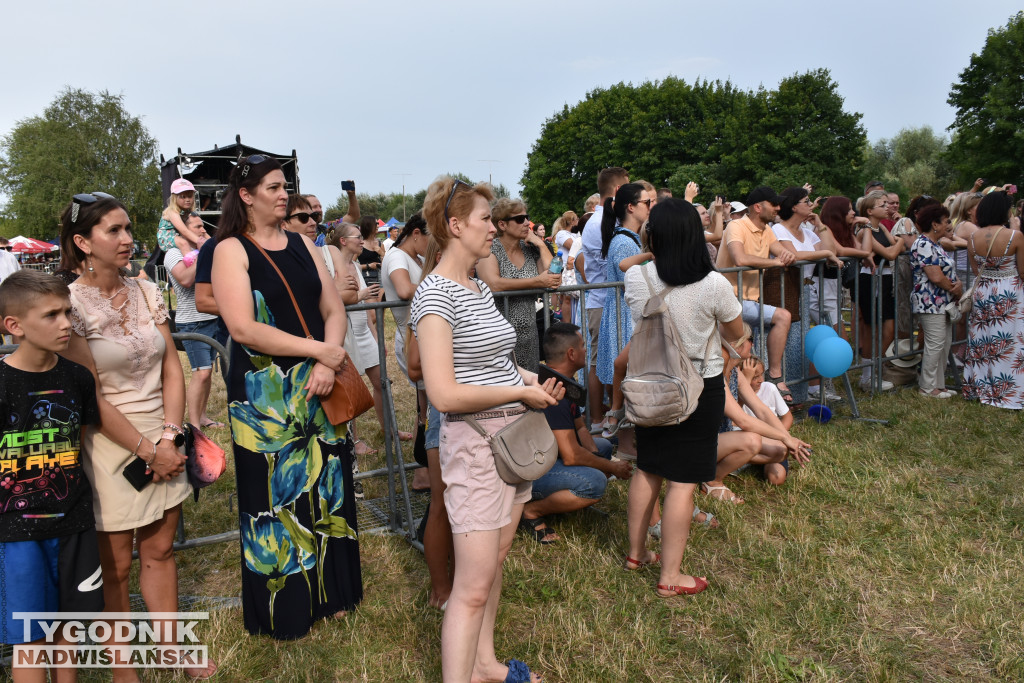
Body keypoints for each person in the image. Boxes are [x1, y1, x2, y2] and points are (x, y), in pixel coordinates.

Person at [59, 192, 215, 680]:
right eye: (114, 231)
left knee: (160, 549)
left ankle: (171, 648)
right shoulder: (66, 304)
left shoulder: (147, 290)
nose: (128, 239)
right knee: (116, 566)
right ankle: (122, 664)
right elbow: (89, 392)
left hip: (162, 435)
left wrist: (169, 437)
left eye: (129, 228)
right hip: (107, 444)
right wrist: (149, 450)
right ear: (83, 242)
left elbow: (171, 363)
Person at [412, 176, 561, 683]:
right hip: (476, 446)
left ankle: (484, 665)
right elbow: (444, 394)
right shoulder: (435, 297)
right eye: (484, 221)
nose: (493, 231)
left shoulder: (475, 285)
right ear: (455, 226)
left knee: (492, 566)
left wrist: (529, 378)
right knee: (471, 586)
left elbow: (495, 361)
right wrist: (518, 393)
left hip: (508, 442)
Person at [211, 155, 361, 639]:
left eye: (286, 186)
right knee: (274, 497)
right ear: (247, 195)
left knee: (328, 485)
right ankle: (287, 610)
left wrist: (326, 359)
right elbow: (243, 327)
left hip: (321, 380)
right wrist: (319, 351)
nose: (284, 194)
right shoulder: (230, 249)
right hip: (266, 394)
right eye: (274, 187)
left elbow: (332, 307)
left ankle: (334, 594)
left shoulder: (303, 244)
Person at [621, 198, 743, 599]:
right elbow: (736, 329)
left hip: (651, 382)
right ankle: (671, 575)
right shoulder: (714, 284)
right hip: (698, 385)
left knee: (647, 467)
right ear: (695, 235)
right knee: (684, 482)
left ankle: (636, 555)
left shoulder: (638, 278)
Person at [0, 271, 102, 683]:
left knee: (68, 630)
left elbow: (78, 445)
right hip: (17, 532)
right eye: (51, 315)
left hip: (74, 524)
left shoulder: (77, 378)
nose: (65, 324)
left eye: (67, 312)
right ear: (14, 326)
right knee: (31, 638)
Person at [521, 323, 632, 544]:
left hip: (550, 456)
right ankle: (529, 511)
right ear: (571, 354)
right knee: (595, 483)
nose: (585, 350)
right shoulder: (554, 393)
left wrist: (596, 457)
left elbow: (580, 427)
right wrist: (611, 467)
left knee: (604, 448)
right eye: (582, 346)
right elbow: (571, 456)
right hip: (531, 471)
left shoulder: (561, 382)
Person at [715, 186, 797, 398]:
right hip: (729, 300)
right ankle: (773, 379)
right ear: (758, 207)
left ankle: (769, 381)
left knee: (746, 354)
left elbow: (782, 252)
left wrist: (786, 256)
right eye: (774, 204)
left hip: (748, 301)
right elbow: (740, 258)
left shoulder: (767, 230)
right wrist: (775, 262)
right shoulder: (736, 225)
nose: (778, 208)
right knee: (781, 317)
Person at [477, 197, 558, 373]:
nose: (527, 223)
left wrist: (540, 244)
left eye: (527, 218)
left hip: (529, 334)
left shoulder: (529, 248)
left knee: (529, 386)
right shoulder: (490, 249)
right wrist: (537, 281)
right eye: (520, 219)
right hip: (499, 335)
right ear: (502, 225)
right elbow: (494, 284)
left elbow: (553, 275)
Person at [164, 218, 227, 429]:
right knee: (201, 372)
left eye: (203, 225)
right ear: (182, 232)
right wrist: (204, 252)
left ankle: (202, 416)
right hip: (192, 323)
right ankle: (193, 425)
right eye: (197, 226)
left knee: (207, 373)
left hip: (212, 319)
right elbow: (186, 280)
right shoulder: (173, 254)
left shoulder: (205, 249)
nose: (202, 229)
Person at [595, 183, 650, 423]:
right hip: (624, 318)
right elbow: (630, 283)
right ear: (631, 207)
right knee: (627, 381)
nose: (651, 207)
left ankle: (629, 439)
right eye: (647, 203)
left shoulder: (629, 239)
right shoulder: (624, 242)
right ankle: (626, 441)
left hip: (627, 315)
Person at [963, 191, 1024, 408]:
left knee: (983, 339)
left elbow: (975, 269)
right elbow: (1023, 271)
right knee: (1008, 341)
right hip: (1009, 291)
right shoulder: (1015, 236)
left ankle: (980, 386)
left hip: (983, 290)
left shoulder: (972, 238)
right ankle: (1007, 391)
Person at [581, 167, 630, 427]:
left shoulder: (605, 220)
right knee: (599, 363)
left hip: (606, 301)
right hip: (602, 301)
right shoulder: (599, 222)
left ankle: (609, 417)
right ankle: (598, 419)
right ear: (618, 191)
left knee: (610, 362)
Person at [380, 214, 430, 447]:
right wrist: (440, 285)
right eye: (432, 238)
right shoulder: (397, 256)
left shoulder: (415, 258)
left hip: (420, 336)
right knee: (427, 405)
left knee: (427, 404)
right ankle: (423, 466)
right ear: (416, 234)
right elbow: (402, 289)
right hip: (411, 338)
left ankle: (424, 465)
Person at [909, 204, 961, 398]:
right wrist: (954, 289)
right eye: (946, 221)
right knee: (935, 343)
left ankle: (938, 384)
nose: (949, 225)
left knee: (944, 343)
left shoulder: (935, 244)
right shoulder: (923, 244)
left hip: (941, 301)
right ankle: (928, 387)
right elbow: (935, 276)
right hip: (929, 301)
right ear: (934, 224)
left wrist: (956, 285)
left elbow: (944, 272)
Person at [856, 190, 905, 391]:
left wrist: (898, 242)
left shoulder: (882, 228)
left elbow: (895, 248)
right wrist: (903, 238)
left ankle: (874, 366)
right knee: (870, 327)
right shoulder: (864, 231)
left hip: (885, 279)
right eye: (882, 205)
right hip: (870, 279)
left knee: (889, 327)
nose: (888, 208)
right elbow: (892, 252)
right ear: (869, 210)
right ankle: (867, 377)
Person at [157, 179, 203, 254]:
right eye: (183, 197)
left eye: (190, 196)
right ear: (175, 198)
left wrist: (211, 242)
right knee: (184, 243)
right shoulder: (172, 212)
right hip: (166, 237)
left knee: (192, 240)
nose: (187, 200)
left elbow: (202, 231)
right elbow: (184, 231)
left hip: (178, 236)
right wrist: (200, 241)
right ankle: (190, 263)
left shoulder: (188, 212)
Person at [356, 216, 384, 286]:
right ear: (368, 225)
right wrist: (368, 266)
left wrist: (382, 253)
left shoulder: (380, 244)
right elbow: (352, 265)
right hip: (365, 280)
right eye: (376, 223)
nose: (378, 225)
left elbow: (386, 265)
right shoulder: (360, 244)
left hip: (380, 280)